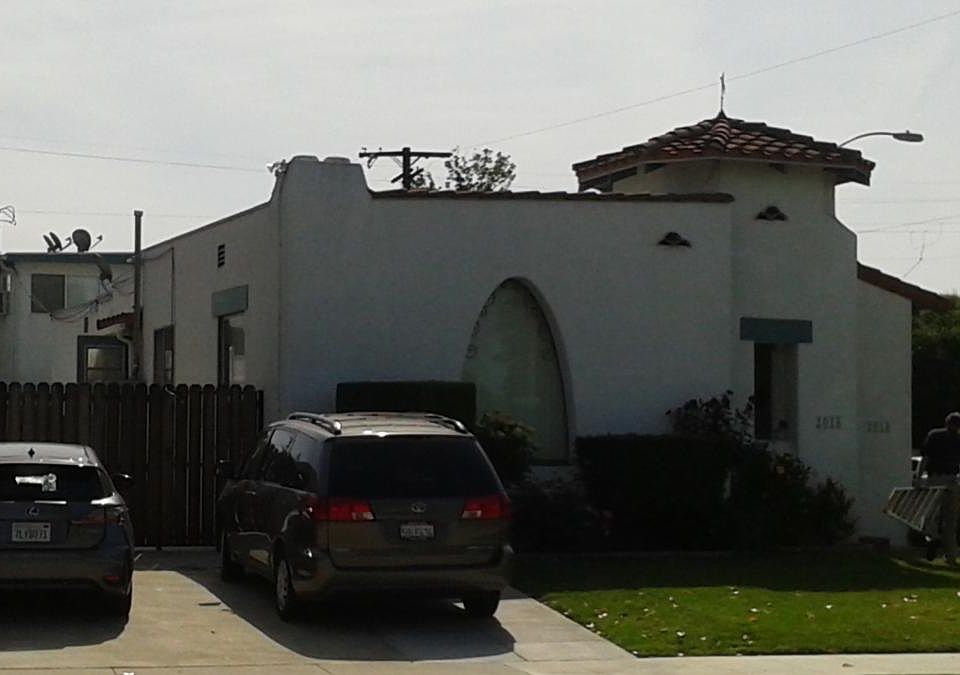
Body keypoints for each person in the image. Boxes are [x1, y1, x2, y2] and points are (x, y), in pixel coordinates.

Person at [921, 412, 960, 565]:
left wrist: (919, 476)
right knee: (951, 520)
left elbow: (925, 457)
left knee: (929, 514)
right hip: (952, 480)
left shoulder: (935, 435)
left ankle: (932, 536)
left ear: (946, 422)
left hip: (935, 478)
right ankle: (951, 556)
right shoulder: (958, 440)